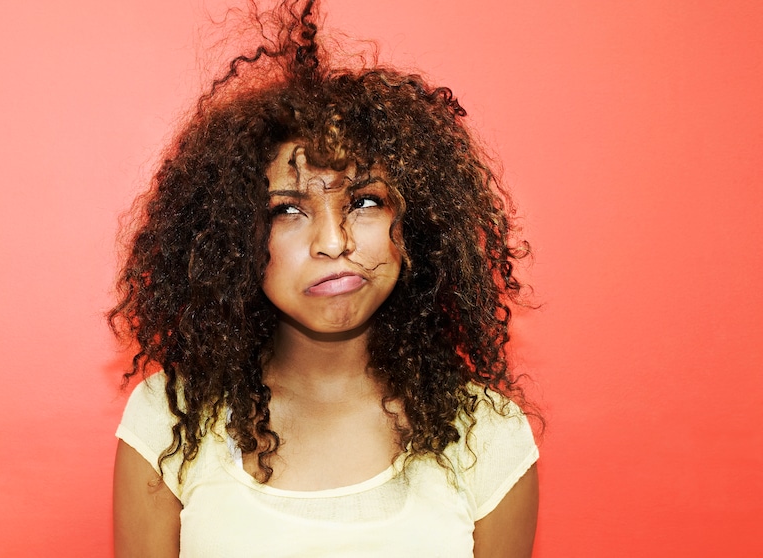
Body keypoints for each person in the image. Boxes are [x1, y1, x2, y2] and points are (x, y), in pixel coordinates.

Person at [109, 1, 539, 556]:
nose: (334, 243)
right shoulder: (170, 418)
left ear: (416, 222)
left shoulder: (489, 435)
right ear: (232, 238)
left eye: (363, 201)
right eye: (287, 210)